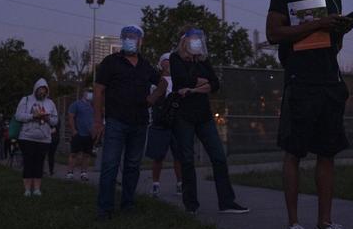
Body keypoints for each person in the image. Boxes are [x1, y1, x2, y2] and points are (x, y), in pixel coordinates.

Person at [266, 0, 353, 229]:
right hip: (300, 79)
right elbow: (274, 32)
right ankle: (294, 226)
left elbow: (334, 46)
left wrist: (339, 29)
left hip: (329, 81)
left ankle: (325, 224)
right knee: (294, 152)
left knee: (327, 153)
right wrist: (316, 25)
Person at [170, 27, 249, 215]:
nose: (197, 42)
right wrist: (200, 83)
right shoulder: (176, 58)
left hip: (204, 116)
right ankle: (191, 205)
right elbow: (180, 80)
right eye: (193, 39)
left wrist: (194, 88)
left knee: (219, 157)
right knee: (187, 160)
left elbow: (215, 84)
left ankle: (227, 202)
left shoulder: (204, 61)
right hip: (184, 117)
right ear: (185, 41)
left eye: (200, 39)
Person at [93, 25, 167, 219]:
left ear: (141, 41)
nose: (130, 40)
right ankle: (105, 207)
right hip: (116, 121)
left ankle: (128, 203)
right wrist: (98, 121)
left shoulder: (145, 65)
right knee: (110, 164)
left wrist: (154, 96)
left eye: (134, 37)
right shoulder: (110, 62)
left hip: (139, 123)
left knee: (133, 165)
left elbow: (163, 83)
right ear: (122, 39)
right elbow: (99, 90)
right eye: (127, 37)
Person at [146, 52, 183, 197]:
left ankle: (180, 183)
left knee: (178, 156)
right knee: (158, 157)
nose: (168, 63)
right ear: (161, 64)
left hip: (176, 122)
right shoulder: (155, 81)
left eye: (170, 61)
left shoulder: (180, 80)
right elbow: (151, 99)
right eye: (165, 61)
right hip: (160, 122)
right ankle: (155, 184)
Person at [15, 78, 58, 197]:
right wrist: (32, 116)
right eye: (40, 89)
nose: (42, 92)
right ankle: (27, 190)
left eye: (44, 90)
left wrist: (48, 118)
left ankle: (37, 189)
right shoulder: (26, 100)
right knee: (28, 163)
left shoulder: (50, 103)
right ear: (35, 89)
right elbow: (18, 116)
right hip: (27, 137)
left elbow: (55, 121)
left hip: (44, 138)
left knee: (39, 163)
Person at [66, 87, 95, 181]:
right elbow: (70, 117)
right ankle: (70, 173)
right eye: (89, 91)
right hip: (78, 134)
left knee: (86, 155)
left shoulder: (93, 106)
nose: (91, 94)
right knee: (74, 154)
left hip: (89, 135)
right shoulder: (76, 104)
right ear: (84, 92)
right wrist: (74, 130)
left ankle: (84, 173)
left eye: (92, 92)